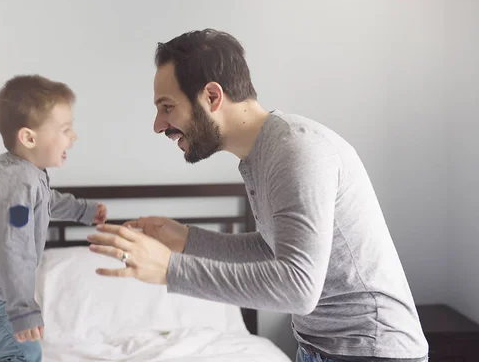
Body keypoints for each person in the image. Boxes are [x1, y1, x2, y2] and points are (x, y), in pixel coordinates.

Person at [86, 29, 429, 362]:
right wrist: (187, 239)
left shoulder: (295, 151)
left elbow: (298, 287)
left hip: (371, 351)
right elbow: (273, 249)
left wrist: (170, 270)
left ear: (212, 97)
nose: (158, 125)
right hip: (323, 347)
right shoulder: (262, 155)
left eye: (167, 106)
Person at [0, 74, 107, 362]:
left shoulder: (23, 173)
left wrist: (83, 211)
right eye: (65, 129)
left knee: (25, 351)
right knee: (25, 353)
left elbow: (46, 201)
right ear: (29, 138)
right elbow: (14, 247)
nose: (73, 136)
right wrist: (23, 309)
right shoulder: (16, 187)